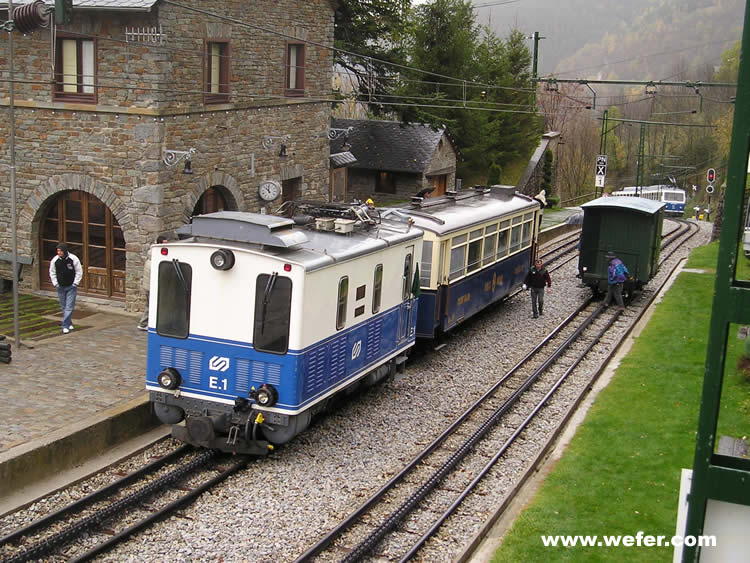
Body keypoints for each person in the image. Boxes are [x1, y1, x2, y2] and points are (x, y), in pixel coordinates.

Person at [49, 243, 83, 334]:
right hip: (60, 287)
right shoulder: (55, 260)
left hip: (71, 287)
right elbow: (52, 272)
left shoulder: (73, 259)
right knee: (63, 306)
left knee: (69, 306)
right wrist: (55, 283)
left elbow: (79, 271)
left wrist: (75, 283)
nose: (58, 252)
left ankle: (65, 325)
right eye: (58, 251)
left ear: (64, 251)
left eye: (60, 251)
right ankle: (69, 322)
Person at [138, 235, 169, 331]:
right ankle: (143, 324)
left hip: (148, 287)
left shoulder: (151, 258)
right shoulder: (155, 262)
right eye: (165, 244)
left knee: (149, 305)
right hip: (151, 287)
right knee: (150, 306)